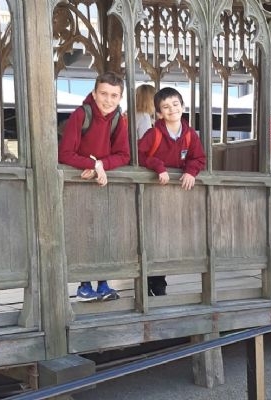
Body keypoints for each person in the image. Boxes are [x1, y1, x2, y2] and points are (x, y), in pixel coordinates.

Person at [59, 71, 130, 302]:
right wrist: (92, 164)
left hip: (102, 183)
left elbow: (124, 155)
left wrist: (101, 165)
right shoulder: (81, 115)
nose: (108, 100)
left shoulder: (118, 118)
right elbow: (65, 153)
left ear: (120, 98)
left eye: (114, 95)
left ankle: (103, 283)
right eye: (103, 94)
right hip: (78, 184)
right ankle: (84, 285)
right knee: (82, 234)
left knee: (104, 234)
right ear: (94, 93)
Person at [138, 87, 206, 296]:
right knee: (150, 236)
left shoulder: (190, 135)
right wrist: (158, 166)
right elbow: (139, 155)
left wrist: (191, 172)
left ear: (183, 106)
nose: (172, 109)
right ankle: (147, 281)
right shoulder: (154, 134)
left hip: (175, 197)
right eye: (166, 107)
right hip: (152, 194)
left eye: (175, 104)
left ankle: (159, 282)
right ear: (159, 113)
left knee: (167, 237)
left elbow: (199, 158)